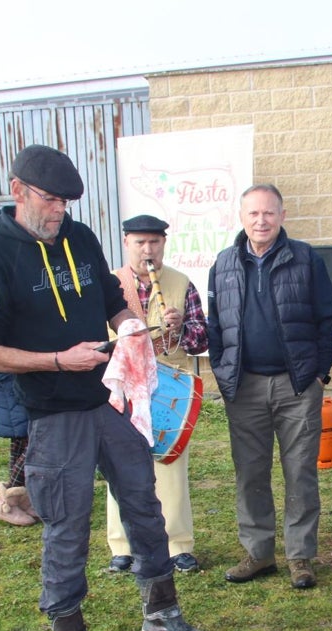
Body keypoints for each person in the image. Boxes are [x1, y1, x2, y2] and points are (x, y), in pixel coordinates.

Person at [0, 144, 211, 631]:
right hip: (52, 416)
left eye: (66, 202)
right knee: (67, 528)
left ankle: (162, 613)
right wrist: (57, 360)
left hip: (107, 403)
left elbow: (109, 301)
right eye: (50, 200)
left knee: (144, 506)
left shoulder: (80, 239)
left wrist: (126, 324)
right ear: (18, 191)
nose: (59, 211)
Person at [206, 184, 332, 590]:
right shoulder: (224, 264)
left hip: (296, 385)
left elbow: (328, 319)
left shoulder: (305, 259)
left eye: (269, 213)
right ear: (241, 216)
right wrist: (223, 370)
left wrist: (317, 372)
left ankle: (300, 556)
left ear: (281, 216)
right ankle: (259, 553)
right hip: (244, 388)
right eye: (253, 214)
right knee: (250, 473)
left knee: (300, 472)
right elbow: (215, 326)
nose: (261, 221)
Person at [105, 214, 207, 574]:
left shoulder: (181, 283)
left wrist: (182, 327)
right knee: (120, 466)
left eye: (154, 242)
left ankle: (178, 544)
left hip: (168, 386)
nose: (148, 250)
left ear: (164, 243)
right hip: (123, 388)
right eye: (139, 243)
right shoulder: (110, 284)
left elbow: (201, 341)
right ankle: (123, 546)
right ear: (126, 244)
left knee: (171, 465)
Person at [0, 370, 40, 526]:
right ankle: (7, 502)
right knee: (35, 439)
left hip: (20, 375)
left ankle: (20, 499)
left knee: (24, 437)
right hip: (9, 375)